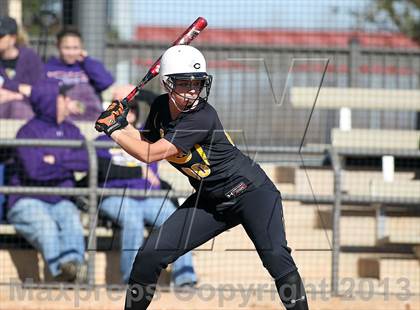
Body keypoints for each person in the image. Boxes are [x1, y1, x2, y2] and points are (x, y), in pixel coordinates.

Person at [95, 45, 309, 310]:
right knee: (150, 255)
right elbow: (147, 139)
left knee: (275, 256)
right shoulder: (161, 107)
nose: (192, 90)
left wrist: (113, 131)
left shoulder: (201, 117)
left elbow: (150, 154)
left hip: (251, 193)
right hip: (210, 200)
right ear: (166, 84)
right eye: (184, 83)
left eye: (197, 83)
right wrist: (121, 124)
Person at [96, 102, 197, 286]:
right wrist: (138, 172)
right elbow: (103, 170)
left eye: (133, 109)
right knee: (133, 221)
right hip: (116, 196)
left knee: (177, 221)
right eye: (124, 109)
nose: (130, 112)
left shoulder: (145, 136)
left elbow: (158, 101)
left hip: (150, 197)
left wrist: (133, 94)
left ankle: (185, 279)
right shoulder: (103, 140)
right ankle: (133, 281)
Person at [7, 79, 87, 283]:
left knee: (71, 220)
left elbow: (87, 160)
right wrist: (67, 163)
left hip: (60, 198)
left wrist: (55, 160)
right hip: (27, 199)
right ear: (49, 101)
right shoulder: (27, 131)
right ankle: (61, 274)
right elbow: (35, 171)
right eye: (63, 97)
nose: (68, 100)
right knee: (47, 227)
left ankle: (74, 270)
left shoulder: (72, 130)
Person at [44, 27, 114, 120]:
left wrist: (86, 60)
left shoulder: (88, 66)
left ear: (82, 47)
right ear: (58, 46)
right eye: (67, 48)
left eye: (75, 48)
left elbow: (106, 82)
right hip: (58, 119)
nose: (71, 53)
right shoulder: (47, 68)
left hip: (89, 119)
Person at [0, 16, 44, 119]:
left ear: (13, 38)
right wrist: (19, 90)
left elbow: (39, 91)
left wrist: (11, 94)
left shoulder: (31, 58)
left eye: (0, 36)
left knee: (18, 108)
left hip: (28, 114)